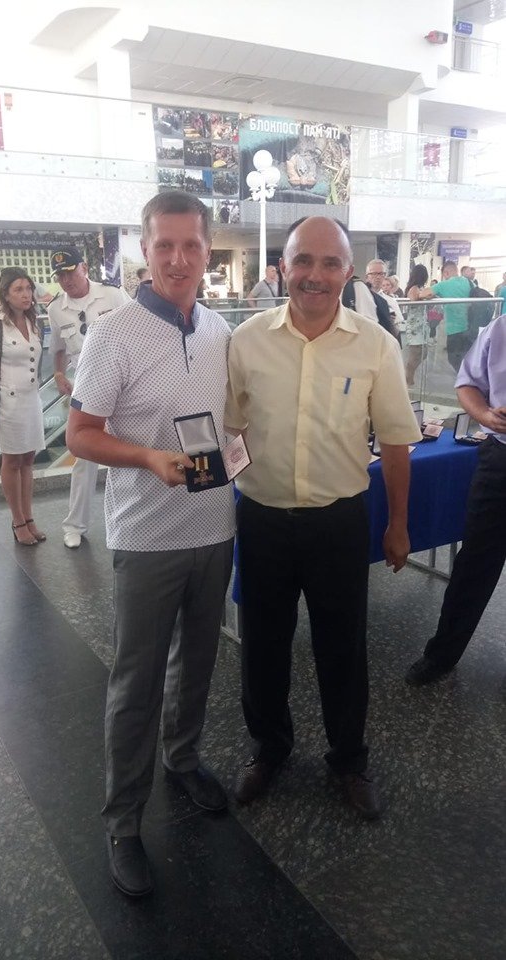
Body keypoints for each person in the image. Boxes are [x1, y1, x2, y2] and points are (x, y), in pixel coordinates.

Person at [66, 191, 235, 898]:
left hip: (214, 527)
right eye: (164, 244)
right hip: (145, 537)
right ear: (145, 249)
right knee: (136, 682)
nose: (178, 259)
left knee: (197, 661)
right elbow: (80, 434)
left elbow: (225, 421)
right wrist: (145, 457)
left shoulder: (221, 329)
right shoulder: (114, 334)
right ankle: (123, 822)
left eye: (191, 245)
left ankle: (183, 759)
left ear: (207, 251)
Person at [225, 216, 421, 819]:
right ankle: (270, 749)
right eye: (303, 261)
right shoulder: (247, 340)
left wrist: (398, 525)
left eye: (330, 263)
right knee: (263, 646)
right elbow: (228, 429)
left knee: (343, 647)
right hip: (262, 519)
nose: (315, 275)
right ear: (284, 266)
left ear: (348, 272)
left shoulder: (376, 345)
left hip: (338, 522)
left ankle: (349, 760)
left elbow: (395, 441)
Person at [406, 316, 506, 686]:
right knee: (475, 562)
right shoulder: (500, 329)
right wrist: (484, 415)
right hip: (501, 458)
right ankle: (442, 654)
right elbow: (468, 383)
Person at [48, 246, 130, 548]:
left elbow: (138, 328)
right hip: (86, 388)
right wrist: (59, 373)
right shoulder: (56, 309)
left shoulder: (112, 295)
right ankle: (75, 526)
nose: (66, 280)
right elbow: (57, 348)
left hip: (123, 384)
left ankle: (129, 520)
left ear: (83, 268)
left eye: (70, 272)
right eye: (60, 276)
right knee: (83, 457)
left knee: (130, 449)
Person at [0, 267, 46, 545]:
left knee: (28, 459)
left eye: (28, 288)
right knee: (12, 460)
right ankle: (17, 521)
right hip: (7, 401)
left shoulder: (31, 319)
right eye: (18, 289)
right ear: (5, 293)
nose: (26, 294)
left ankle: (29, 517)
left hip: (31, 399)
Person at [418, 261, 472, 372]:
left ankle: (464, 380)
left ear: (446, 273)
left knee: (454, 360)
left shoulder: (445, 284)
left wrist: (433, 295)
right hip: (470, 329)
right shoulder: (469, 282)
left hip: (454, 330)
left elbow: (423, 294)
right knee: (467, 360)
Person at [403, 264, 429, 387]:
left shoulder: (420, 288)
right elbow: (413, 298)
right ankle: (407, 379)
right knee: (415, 352)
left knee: (423, 352)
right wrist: (423, 296)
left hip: (421, 324)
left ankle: (409, 377)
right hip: (415, 326)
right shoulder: (414, 288)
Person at [366, 259, 405, 333]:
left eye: (381, 274)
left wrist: (391, 322)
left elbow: (397, 330)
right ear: (367, 276)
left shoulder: (390, 301)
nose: (378, 277)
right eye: (374, 274)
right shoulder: (360, 298)